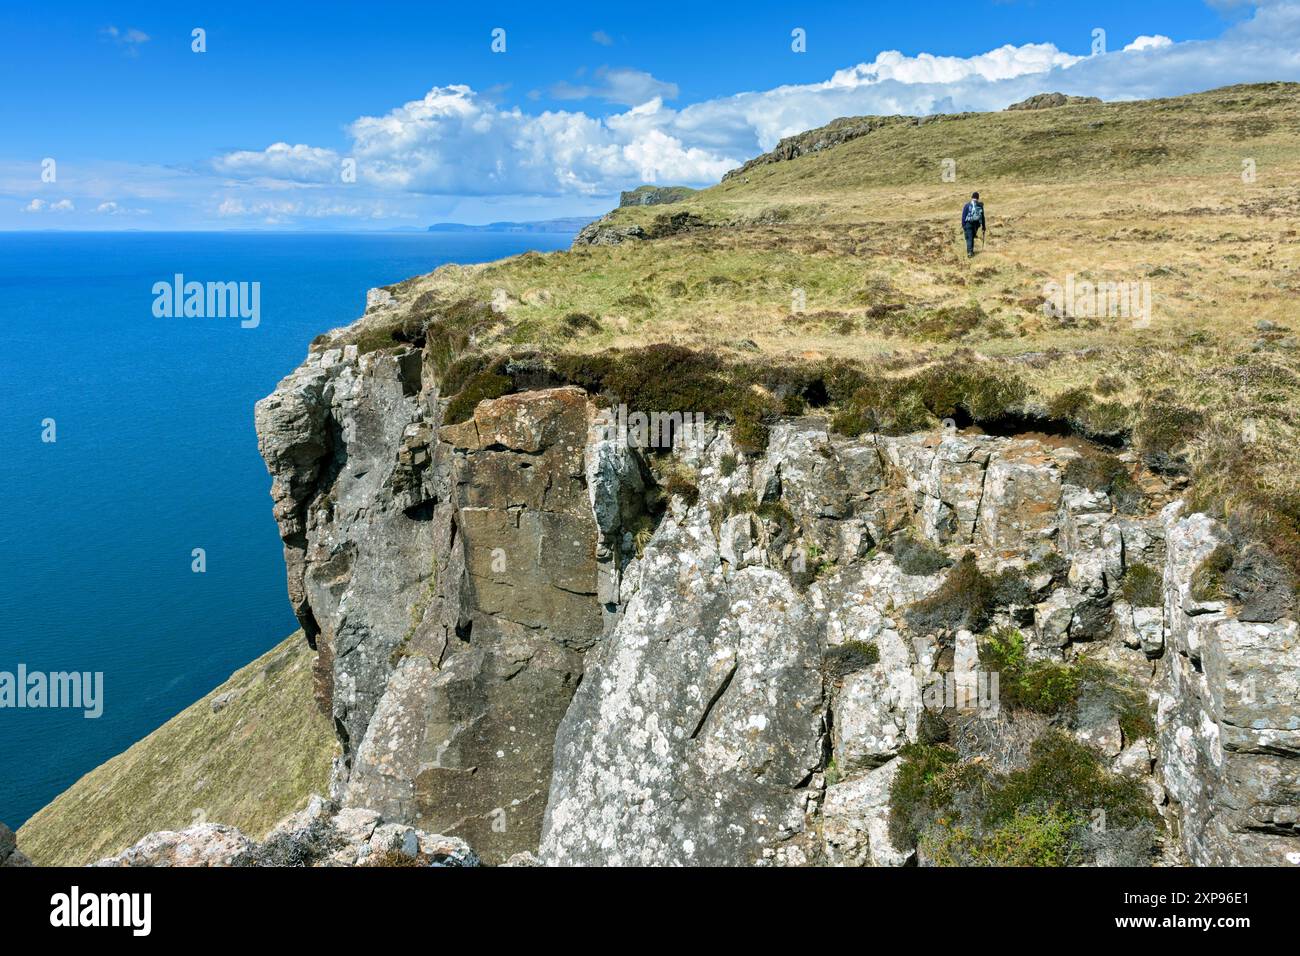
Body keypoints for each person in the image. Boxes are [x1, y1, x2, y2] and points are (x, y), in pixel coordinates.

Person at [961, 191, 986, 257]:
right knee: (971, 237)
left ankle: (970, 252)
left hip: (968, 223)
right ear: (978, 198)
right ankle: (970, 251)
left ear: (972, 197)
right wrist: (983, 227)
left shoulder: (967, 205)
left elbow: (963, 216)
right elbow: (983, 217)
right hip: (976, 225)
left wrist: (963, 225)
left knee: (969, 238)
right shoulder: (980, 205)